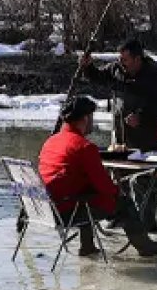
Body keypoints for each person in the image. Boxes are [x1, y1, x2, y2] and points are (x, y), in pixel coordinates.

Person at [38, 97, 119, 257]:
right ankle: (146, 248)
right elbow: (105, 186)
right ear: (85, 118)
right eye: (92, 117)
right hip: (66, 212)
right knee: (122, 202)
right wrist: (118, 189)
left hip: (45, 208)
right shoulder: (84, 147)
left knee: (85, 192)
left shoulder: (51, 141)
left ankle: (87, 246)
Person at [79, 39, 157, 152]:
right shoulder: (117, 69)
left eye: (125, 60)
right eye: (120, 58)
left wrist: (141, 117)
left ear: (137, 59)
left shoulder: (154, 75)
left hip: (145, 138)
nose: (121, 62)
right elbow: (99, 77)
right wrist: (88, 67)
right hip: (120, 135)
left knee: (141, 167)